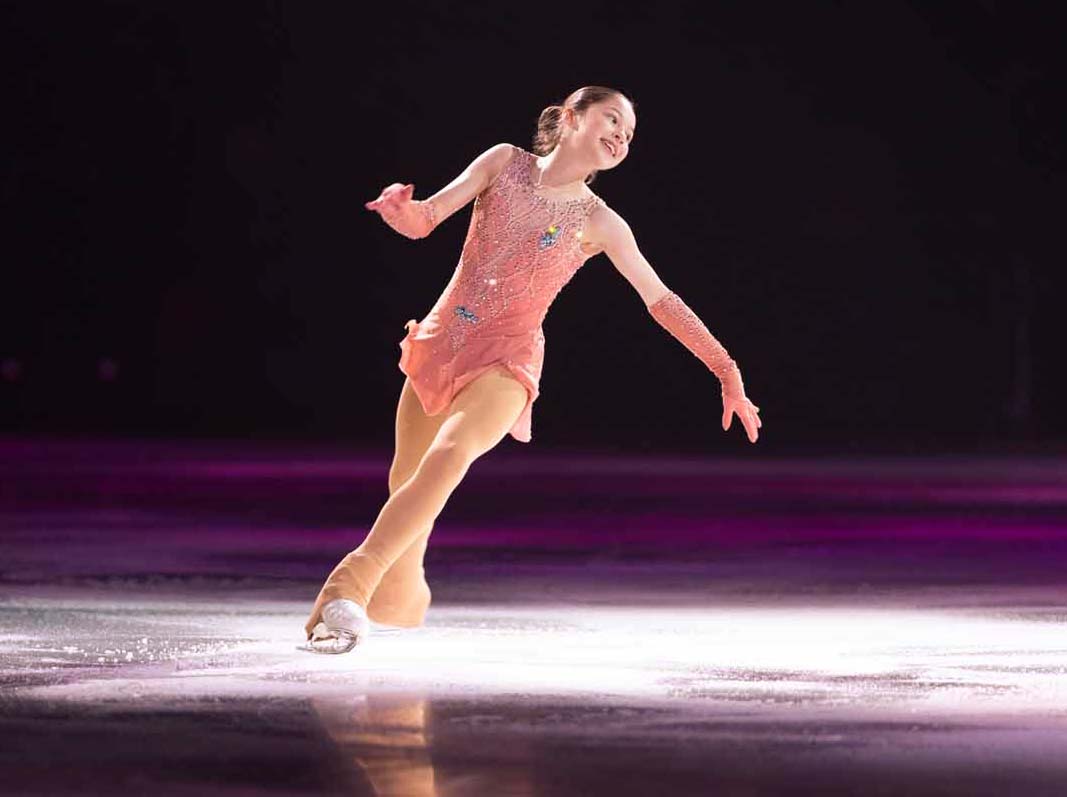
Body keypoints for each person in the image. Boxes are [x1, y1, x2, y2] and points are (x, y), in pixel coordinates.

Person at [303, 86, 762, 654]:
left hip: (508, 360)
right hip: (441, 343)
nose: (621, 136)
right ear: (570, 117)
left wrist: (726, 369)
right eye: (611, 120)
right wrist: (401, 211)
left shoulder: (601, 221)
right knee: (408, 483)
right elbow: (426, 220)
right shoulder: (504, 162)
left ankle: (346, 587)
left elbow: (661, 300)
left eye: (629, 133)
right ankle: (400, 601)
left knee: (450, 454)